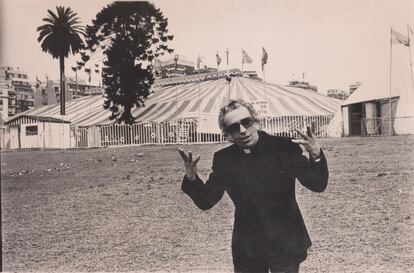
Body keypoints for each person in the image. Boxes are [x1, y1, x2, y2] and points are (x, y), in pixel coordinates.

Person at [178, 99, 328, 273]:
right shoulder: (224, 159)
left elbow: (317, 184)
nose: (242, 130)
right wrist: (191, 178)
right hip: (248, 246)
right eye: (234, 127)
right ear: (228, 135)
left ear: (256, 122)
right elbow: (206, 201)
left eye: (246, 122)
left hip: (285, 240)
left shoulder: (283, 147)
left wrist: (315, 154)